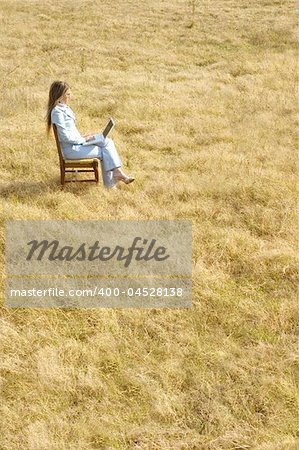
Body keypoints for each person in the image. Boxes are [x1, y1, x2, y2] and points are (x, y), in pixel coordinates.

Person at [46, 81, 134, 188]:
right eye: (68, 94)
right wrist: (83, 140)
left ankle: (117, 172)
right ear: (59, 95)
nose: (70, 96)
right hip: (72, 150)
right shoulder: (57, 112)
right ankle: (111, 185)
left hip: (77, 143)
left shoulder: (64, 108)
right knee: (104, 151)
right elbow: (65, 137)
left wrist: (83, 137)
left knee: (107, 141)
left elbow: (70, 132)